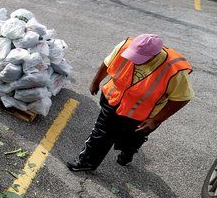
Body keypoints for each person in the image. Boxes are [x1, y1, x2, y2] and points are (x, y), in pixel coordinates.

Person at [67, 34, 193, 172]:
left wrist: (156, 120)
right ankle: (86, 162)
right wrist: (95, 82)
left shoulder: (174, 70)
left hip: (143, 114)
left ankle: (127, 153)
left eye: (141, 58)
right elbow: (108, 63)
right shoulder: (124, 46)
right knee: (101, 133)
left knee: (132, 139)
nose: (134, 60)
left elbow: (182, 98)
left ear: (154, 55)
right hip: (114, 99)